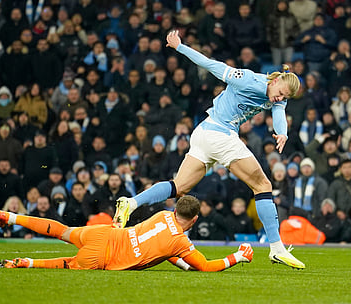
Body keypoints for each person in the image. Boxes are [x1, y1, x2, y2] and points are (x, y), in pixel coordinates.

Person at [114, 30, 305, 269]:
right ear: (274, 81)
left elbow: (279, 113)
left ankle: (130, 203)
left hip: (204, 133)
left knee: (179, 187)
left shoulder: (279, 96)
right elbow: (211, 64)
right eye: (279, 94)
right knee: (263, 186)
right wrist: (180, 47)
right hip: (219, 133)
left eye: (284, 98)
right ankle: (276, 249)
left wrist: (283, 132)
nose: (279, 99)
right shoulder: (246, 78)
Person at [0, 195, 253, 271]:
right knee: (67, 264)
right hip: (104, 258)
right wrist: (238, 257)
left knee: (61, 230)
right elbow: (206, 266)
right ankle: (27, 264)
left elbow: (161, 248)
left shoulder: (162, 215)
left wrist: (182, 264)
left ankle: (11, 216)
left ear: (175, 209)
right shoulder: (180, 243)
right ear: (195, 219)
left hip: (104, 234)